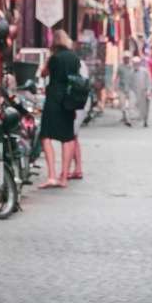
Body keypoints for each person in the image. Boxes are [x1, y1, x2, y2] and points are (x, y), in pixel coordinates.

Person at [38, 29, 81, 188]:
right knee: (68, 137)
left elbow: (43, 74)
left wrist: (47, 62)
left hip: (54, 98)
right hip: (70, 99)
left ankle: (51, 175)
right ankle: (64, 177)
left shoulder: (54, 58)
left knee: (46, 135)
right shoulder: (74, 58)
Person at [69, 59, 90, 180]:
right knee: (74, 136)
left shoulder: (76, 63)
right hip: (79, 103)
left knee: (70, 137)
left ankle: (70, 168)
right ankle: (77, 169)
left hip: (77, 103)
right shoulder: (79, 63)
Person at [130, 55, 152, 127]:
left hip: (144, 91)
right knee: (134, 106)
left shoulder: (145, 71)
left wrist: (149, 90)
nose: (135, 64)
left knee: (145, 107)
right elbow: (129, 82)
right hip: (134, 92)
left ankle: (145, 120)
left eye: (137, 63)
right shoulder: (131, 72)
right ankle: (133, 119)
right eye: (134, 63)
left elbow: (149, 81)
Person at [115, 51, 135, 127]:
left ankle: (128, 119)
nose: (126, 59)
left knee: (130, 105)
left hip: (130, 88)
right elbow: (117, 77)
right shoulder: (120, 67)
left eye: (127, 58)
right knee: (122, 104)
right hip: (121, 88)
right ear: (123, 59)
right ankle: (125, 117)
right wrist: (115, 87)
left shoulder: (132, 67)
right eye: (125, 58)